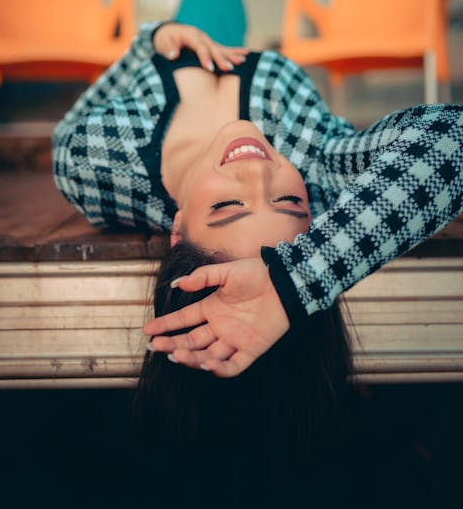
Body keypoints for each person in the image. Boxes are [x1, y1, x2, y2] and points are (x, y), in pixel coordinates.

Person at [53, 21, 463, 377]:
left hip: (185, 30)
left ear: (177, 230)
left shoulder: (97, 167)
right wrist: (297, 280)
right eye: (288, 201)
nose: (257, 171)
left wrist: (154, 39)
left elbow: (68, 127)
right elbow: (453, 139)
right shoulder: (315, 168)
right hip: (242, 41)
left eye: (228, 207)